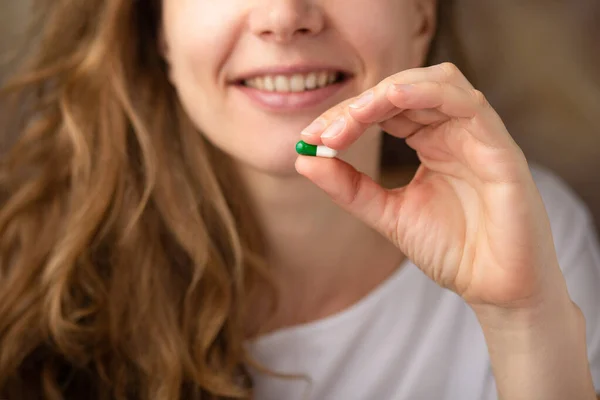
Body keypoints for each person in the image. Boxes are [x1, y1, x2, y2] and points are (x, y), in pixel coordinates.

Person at [1, 0, 599, 399]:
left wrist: (522, 319)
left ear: (420, 14)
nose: (285, 17)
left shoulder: (530, 227)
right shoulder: (23, 259)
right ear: (157, 28)